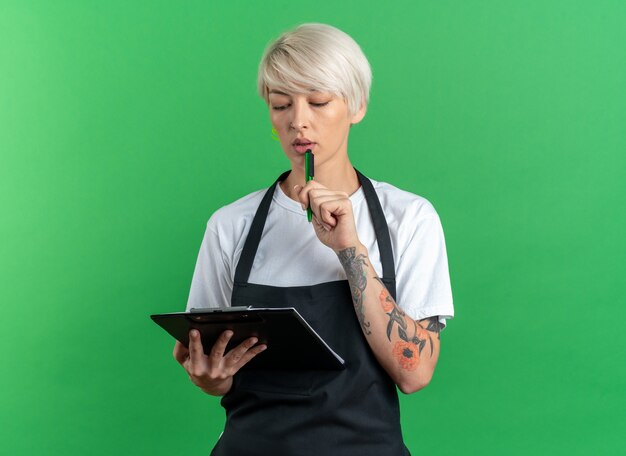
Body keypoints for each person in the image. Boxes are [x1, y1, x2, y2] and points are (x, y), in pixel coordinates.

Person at [173, 23, 454, 455]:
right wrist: (209, 377)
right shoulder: (230, 225)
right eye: (281, 105)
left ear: (357, 106)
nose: (298, 122)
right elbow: (212, 369)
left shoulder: (409, 218)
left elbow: (414, 373)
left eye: (318, 102)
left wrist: (349, 249)